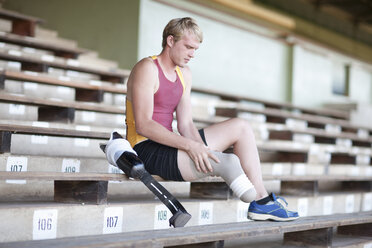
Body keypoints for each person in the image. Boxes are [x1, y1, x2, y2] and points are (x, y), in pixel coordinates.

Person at [125, 17, 298, 221]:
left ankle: (262, 202)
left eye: (195, 49)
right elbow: (144, 125)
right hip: (144, 149)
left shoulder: (184, 74)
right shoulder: (147, 68)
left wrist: (203, 150)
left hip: (168, 143)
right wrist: (191, 147)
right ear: (170, 41)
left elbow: (186, 124)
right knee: (229, 163)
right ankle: (254, 197)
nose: (192, 54)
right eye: (188, 47)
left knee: (241, 127)